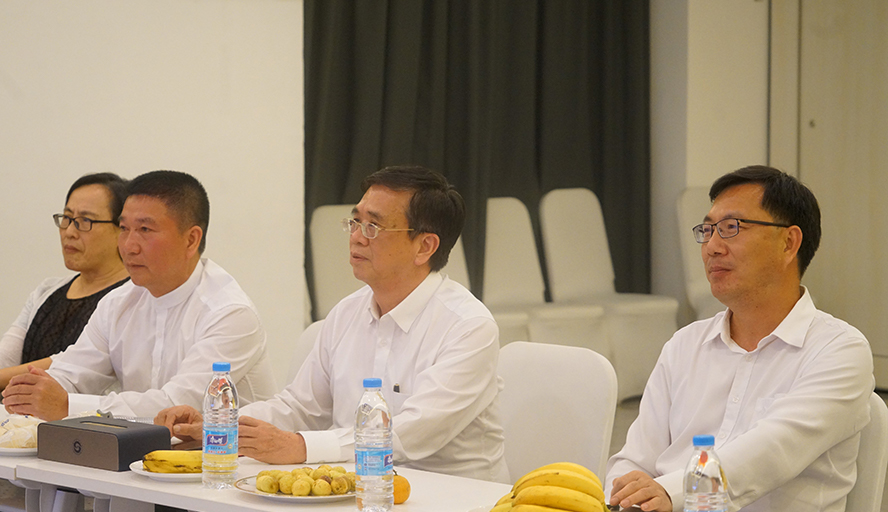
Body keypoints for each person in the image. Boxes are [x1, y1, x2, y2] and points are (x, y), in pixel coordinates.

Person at [156, 166, 509, 483]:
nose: (356, 237)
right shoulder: (347, 313)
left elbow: (409, 435)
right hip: (356, 490)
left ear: (424, 247)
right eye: (354, 222)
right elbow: (300, 407)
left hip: (452, 496)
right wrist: (217, 424)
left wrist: (298, 447)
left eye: (373, 226)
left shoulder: (468, 327)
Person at [606, 166, 873, 511]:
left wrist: (671, 492)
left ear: (789, 243)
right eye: (707, 230)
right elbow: (635, 459)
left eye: (731, 228)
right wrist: (626, 496)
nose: (712, 247)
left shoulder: (839, 350)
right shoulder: (684, 345)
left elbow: (770, 451)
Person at [2, 170, 276, 420]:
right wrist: (37, 391)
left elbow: (177, 405)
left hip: (224, 456)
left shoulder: (229, 312)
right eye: (124, 229)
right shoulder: (118, 303)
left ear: (191, 239)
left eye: (145, 230)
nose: (129, 246)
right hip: (141, 453)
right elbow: (73, 374)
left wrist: (67, 405)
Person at [0, 173, 130, 390]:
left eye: (85, 221)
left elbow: (72, 363)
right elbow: (7, 355)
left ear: (121, 229)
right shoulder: (48, 291)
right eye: (67, 218)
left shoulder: (133, 297)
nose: (69, 232)